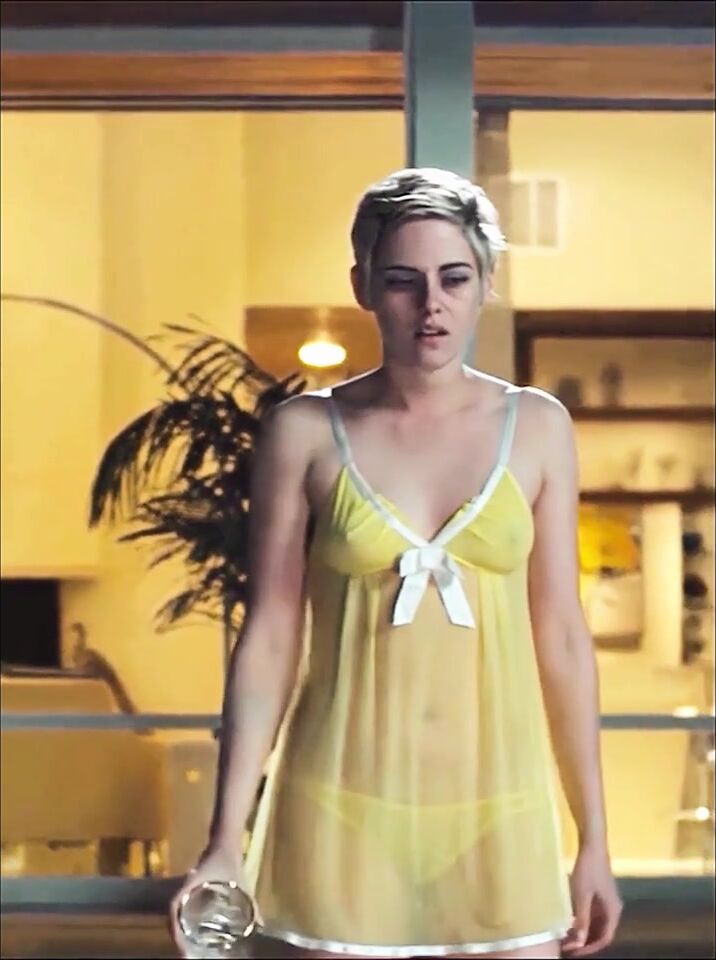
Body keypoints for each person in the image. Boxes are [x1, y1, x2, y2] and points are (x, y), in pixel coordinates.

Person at [170, 168, 623, 959]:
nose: (431, 304)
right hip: (339, 805)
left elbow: (560, 638)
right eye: (403, 281)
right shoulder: (305, 432)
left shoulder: (538, 427)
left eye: (454, 278)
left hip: (500, 806)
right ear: (365, 287)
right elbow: (270, 637)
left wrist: (594, 839)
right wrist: (224, 839)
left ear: (485, 283)